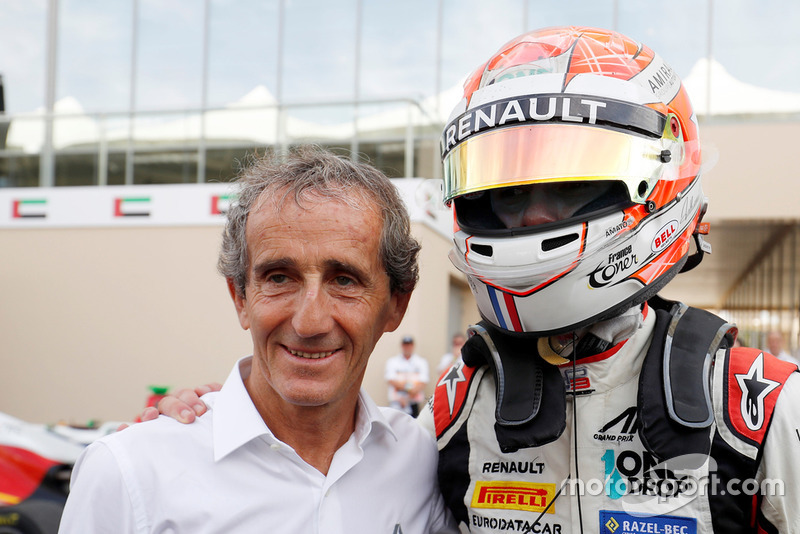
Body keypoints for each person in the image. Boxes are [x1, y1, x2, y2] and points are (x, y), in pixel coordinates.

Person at [150, 27, 800, 533]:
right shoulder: (459, 405)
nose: (531, 216)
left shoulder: (756, 405)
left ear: (658, 172)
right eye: (509, 192)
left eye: (567, 185)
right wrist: (206, 416)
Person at [59, 147, 455, 533]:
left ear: (395, 306)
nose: (309, 322)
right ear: (240, 298)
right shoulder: (128, 473)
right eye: (279, 278)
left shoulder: (419, 459)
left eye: (344, 280)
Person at [385, 335, 429, 417]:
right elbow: (391, 379)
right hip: (396, 403)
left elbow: (423, 382)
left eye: (409, 345)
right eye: (405, 345)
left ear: (413, 346)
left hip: (413, 403)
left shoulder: (421, 362)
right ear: (402, 346)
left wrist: (407, 397)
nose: (407, 347)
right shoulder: (393, 362)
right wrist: (409, 388)